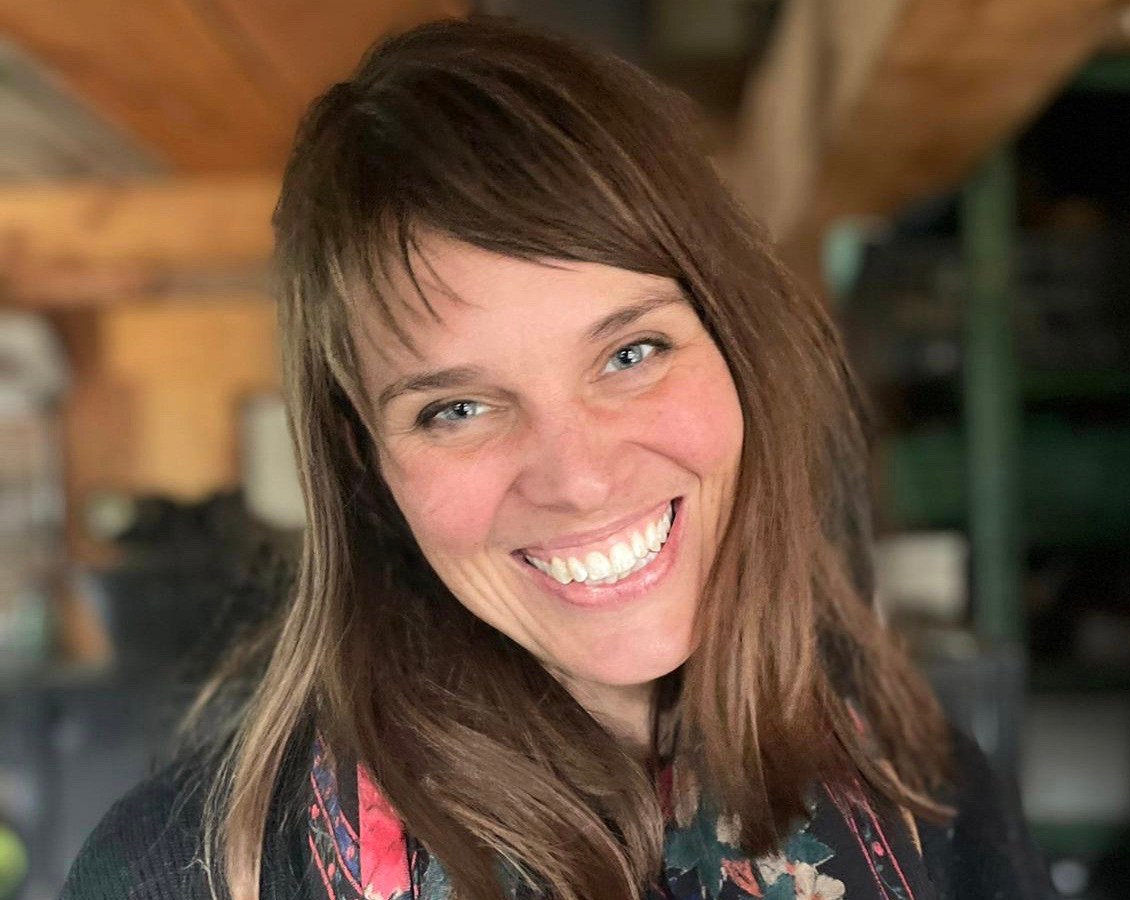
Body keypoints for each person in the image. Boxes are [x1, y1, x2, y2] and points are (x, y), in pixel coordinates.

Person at [62, 16, 1054, 900]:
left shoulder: (921, 789)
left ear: (735, 347)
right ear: (366, 465)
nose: (578, 479)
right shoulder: (180, 876)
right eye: (457, 409)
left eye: (630, 354)